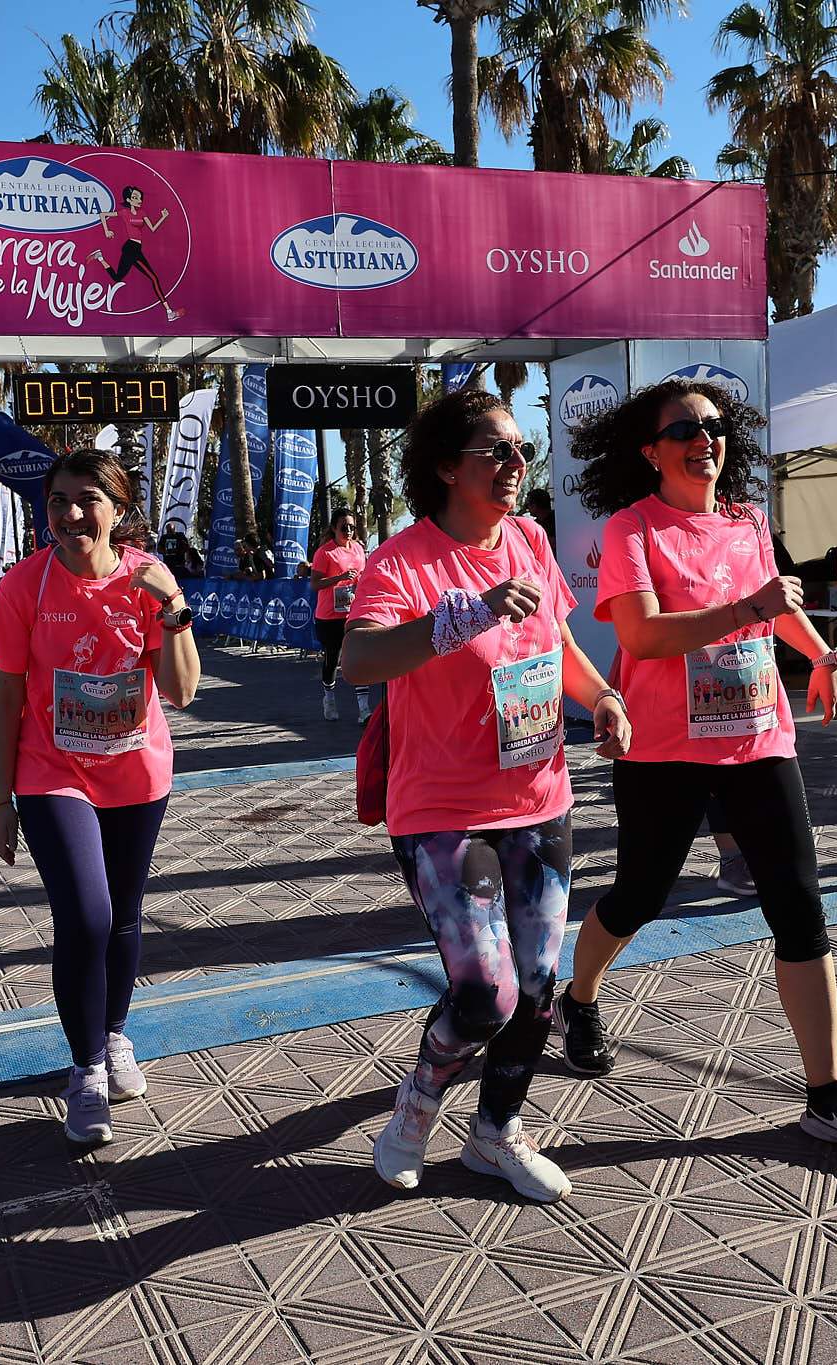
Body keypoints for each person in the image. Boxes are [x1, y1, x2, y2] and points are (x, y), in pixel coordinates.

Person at [554, 379, 837, 1158]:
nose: (703, 438)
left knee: (800, 908)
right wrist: (747, 610)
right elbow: (642, 637)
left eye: (713, 426)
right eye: (683, 428)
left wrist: (819, 653)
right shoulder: (632, 529)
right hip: (664, 748)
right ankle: (577, 999)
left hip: (758, 740)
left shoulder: (747, 518)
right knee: (639, 894)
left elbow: (776, 602)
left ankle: (825, 1092)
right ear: (651, 451)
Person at [343, 386, 630, 1203]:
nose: (514, 465)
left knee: (537, 985)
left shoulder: (531, 538)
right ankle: (419, 1102)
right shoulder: (402, 560)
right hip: (442, 810)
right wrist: (456, 617)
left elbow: (562, 643)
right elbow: (359, 661)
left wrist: (603, 698)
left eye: (521, 451)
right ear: (444, 466)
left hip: (541, 800)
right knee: (483, 992)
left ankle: (497, 1131)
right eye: (494, 451)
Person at [0, 449, 199, 1145]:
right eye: (58, 502)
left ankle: (112, 1035)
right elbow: (9, 692)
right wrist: (3, 798)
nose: (72, 514)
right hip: (53, 772)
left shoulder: (149, 578)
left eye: (88, 499)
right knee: (86, 912)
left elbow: (182, 689)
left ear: (118, 507)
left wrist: (171, 609)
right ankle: (84, 1072)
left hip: (136, 772)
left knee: (125, 916)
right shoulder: (24, 586)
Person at [309, 510, 371, 722]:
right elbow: (315, 584)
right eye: (344, 526)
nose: (349, 531)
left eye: (352, 527)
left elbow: (363, 576)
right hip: (329, 616)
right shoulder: (325, 553)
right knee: (333, 658)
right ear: (334, 527)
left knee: (359, 658)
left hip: (353, 613)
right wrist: (340, 578)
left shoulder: (358, 549)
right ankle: (329, 698)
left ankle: (364, 709)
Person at [87, 186, 182, 323]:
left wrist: (163, 217)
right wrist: (106, 230)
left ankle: (100, 257)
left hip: (135, 248)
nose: (139, 200)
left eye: (139, 198)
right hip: (131, 248)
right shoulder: (124, 212)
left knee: (118, 278)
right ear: (128, 200)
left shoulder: (142, 212)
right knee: (154, 278)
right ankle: (169, 312)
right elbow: (103, 214)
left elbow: (153, 229)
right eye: (135, 198)